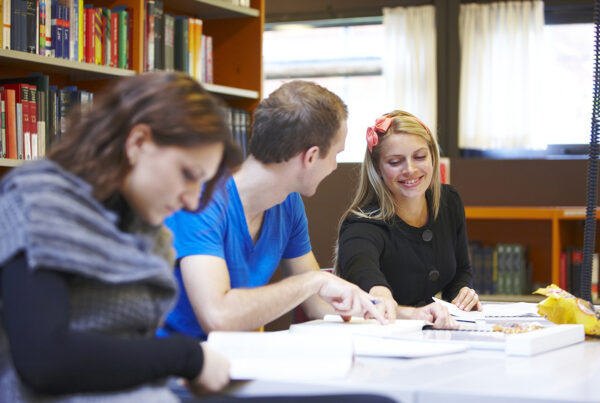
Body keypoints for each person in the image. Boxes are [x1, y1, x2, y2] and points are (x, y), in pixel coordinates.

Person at [0, 72, 242, 401]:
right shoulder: (38, 200)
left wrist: (166, 367)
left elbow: (126, 351)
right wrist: (186, 357)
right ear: (138, 142)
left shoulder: (147, 229)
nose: (191, 200)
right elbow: (45, 359)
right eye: (187, 175)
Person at [162, 81, 455, 341]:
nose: (336, 166)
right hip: (169, 369)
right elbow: (218, 317)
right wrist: (312, 281)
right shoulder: (201, 200)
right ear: (311, 157)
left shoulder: (288, 204)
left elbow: (318, 304)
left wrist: (408, 315)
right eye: (337, 154)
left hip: (230, 359)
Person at [335, 110, 482, 322]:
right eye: (395, 162)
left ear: (432, 155)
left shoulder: (449, 202)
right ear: (378, 168)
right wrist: (380, 294)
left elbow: (460, 271)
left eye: (420, 157)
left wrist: (462, 295)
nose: (410, 169)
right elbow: (362, 270)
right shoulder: (361, 223)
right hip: (380, 334)